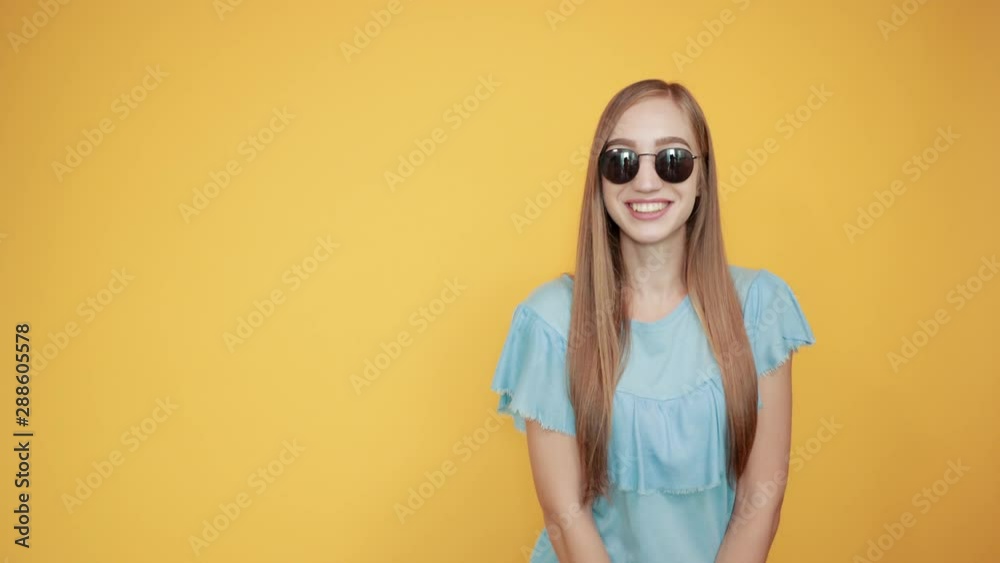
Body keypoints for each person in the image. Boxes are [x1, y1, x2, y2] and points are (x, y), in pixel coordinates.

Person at [489, 79, 816, 563]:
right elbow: (565, 514)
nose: (646, 182)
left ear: (702, 178)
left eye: (673, 160)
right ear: (600, 181)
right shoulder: (550, 321)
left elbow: (758, 501)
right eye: (622, 161)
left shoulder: (760, 308)